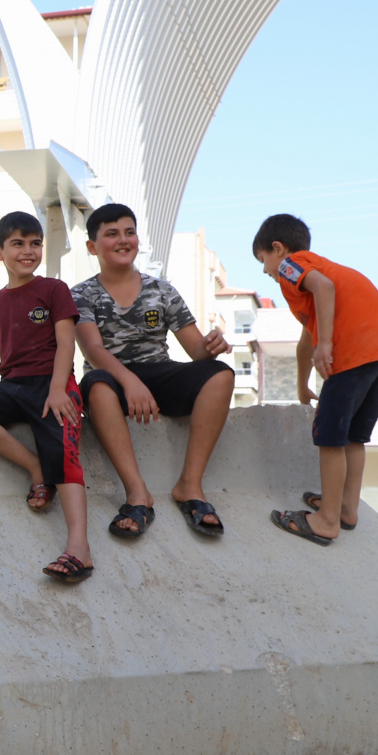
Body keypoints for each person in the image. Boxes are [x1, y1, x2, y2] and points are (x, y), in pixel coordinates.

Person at [72, 203, 236, 540]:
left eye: (129, 232)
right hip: (111, 378)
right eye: (112, 234)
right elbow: (93, 350)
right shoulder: (81, 294)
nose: (123, 240)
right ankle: (137, 495)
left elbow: (196, 351)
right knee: (96, 384)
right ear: (92, 246)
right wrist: (130, 382)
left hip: (160, 372)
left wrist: (213, 344)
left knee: (220, 373)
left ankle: (190, 487)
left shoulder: (162, 290)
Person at [0, 211, 92, 582]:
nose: (27, 251)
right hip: (11, 388)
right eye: (17, 244)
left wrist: (59, 390)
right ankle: (34, 469)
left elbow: (66, 342)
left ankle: (79, 547)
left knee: (63, 455)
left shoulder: (53, 289)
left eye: (34, 244)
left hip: (52, 383)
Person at [253, 213, 378, 546]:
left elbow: (324, 288)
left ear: (278, 249)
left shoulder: (292, 266)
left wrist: (327, 344)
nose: (266, 271)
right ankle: (347, 508)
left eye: (263, 260)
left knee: (330, 435)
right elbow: (308, 336)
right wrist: (301, 383)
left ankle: (326, 521)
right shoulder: (318, 274)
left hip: (354, 351)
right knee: (353, 436)